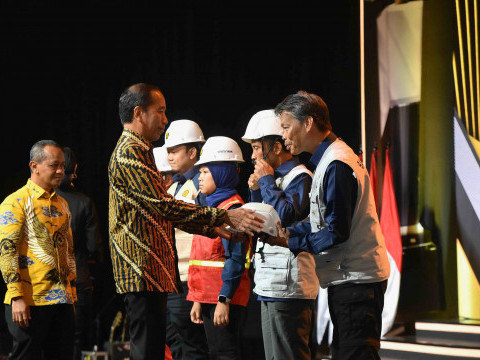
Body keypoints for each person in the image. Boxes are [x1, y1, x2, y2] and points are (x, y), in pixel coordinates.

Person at [108, 83, 263, 360]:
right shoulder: (131, 150)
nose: (165, 119)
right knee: (149, 349)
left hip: (154, 272)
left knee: (158, 348)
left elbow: (160, 210)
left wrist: (214, 226)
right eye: (160, 111)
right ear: (139, 113)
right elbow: (162, 206)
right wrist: (223, 216)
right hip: (142, 269)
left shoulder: (139, 149)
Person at [266, 90, 390, 360]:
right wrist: (292, 232)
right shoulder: (330, 159)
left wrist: (291, 241)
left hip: (357, 281)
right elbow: (321, 219)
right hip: (351, 279)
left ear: (308, 123)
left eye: (286, 127)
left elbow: (336, 231)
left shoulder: (336, 163)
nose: (283, 136)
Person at [241, 109, 319, 360]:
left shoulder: (301, 177)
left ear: (275, 147)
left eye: (255, 148)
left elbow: (285, 217)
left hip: (291, 286)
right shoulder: (271, 178)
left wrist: (264, 182)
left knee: (289, 355)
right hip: (269, 283)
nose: (252, 156)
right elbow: (260, 221)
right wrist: (255, 190)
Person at [0, 140, 77, 360]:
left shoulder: (62, 204)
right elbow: (7, 251)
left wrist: (71, 295)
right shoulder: (15, 202)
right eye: (54, 165)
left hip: (61, 301)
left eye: (62, 165)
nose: (61, 170)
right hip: (30, 300)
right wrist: (16, 296)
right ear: (34, 166)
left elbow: (68, 252)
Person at [188, 136, 252, 360]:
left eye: (206, 172)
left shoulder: (233, 210)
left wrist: (224, 300)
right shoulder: (210, 208)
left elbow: (236, 259)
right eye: (200, 172)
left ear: (222, 172)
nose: (199, 178)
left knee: (225, 353)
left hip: (224, 298)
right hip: (207, 297)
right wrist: (197, 298)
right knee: (215, 353)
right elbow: (201, 258)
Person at [162, 119, 210, 360]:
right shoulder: (173, 188)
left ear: (192, 152)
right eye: (168, 151)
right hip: (172, 279)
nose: (169, 156)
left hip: (191, 279)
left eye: (174, 151)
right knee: (177, 342)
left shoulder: (202, 185)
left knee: (193, 344)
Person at [55, 147, 103, 360]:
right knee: (76, 338)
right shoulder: (84, 202)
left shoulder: (39, 201)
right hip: (79, 280)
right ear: (73, 170)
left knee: (50, 339)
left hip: (46, 282)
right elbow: (95, 247)